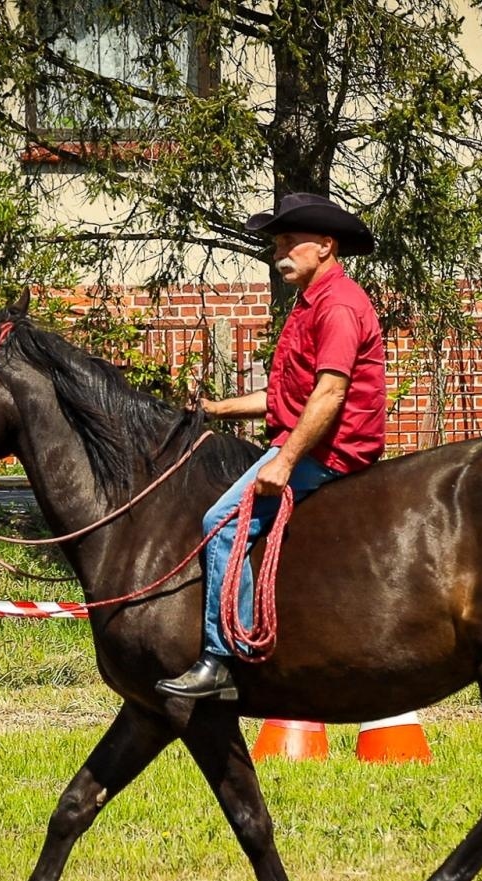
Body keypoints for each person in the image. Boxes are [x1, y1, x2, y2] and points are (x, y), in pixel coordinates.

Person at [156, 193, 386, 701]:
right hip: (315, 442)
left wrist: (284, 461)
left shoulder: (340, 306)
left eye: (288, 241)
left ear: (325, 246)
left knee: (220, 522)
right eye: (276, 242)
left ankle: (222, 660)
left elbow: (330, 394)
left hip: (332, 451)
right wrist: (214, 411)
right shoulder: (312, 304)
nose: (278, 252)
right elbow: (286, 398)